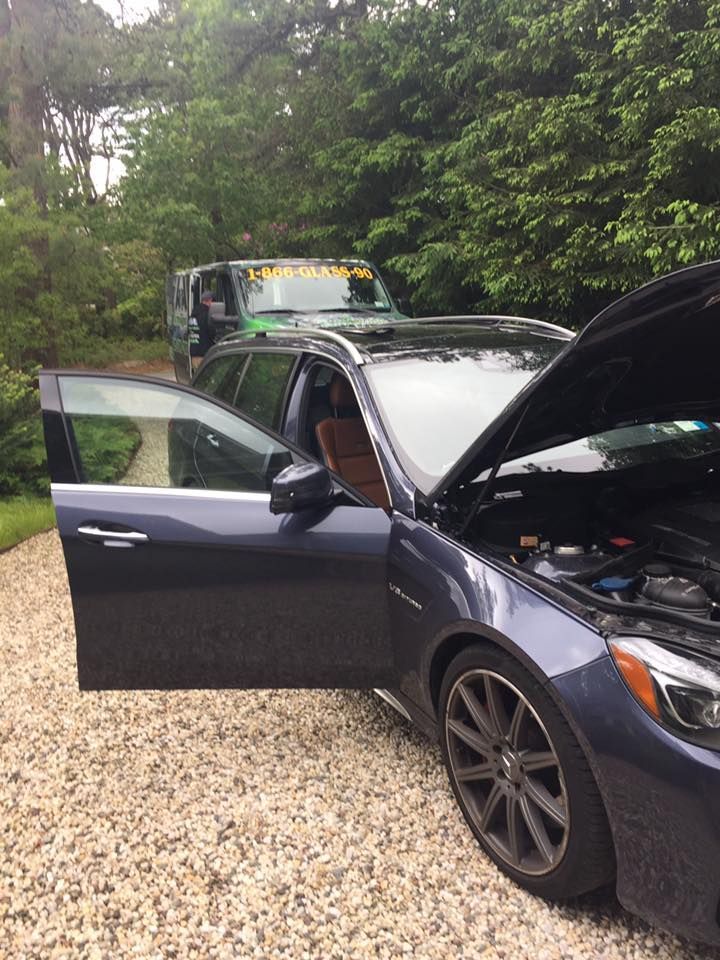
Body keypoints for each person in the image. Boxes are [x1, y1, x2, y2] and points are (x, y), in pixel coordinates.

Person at [190, 289, 214, 368]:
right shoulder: (207, 315)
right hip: (204, 355)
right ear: (209, 301)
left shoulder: (193, 315)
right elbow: (212, 333)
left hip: (194, 354)